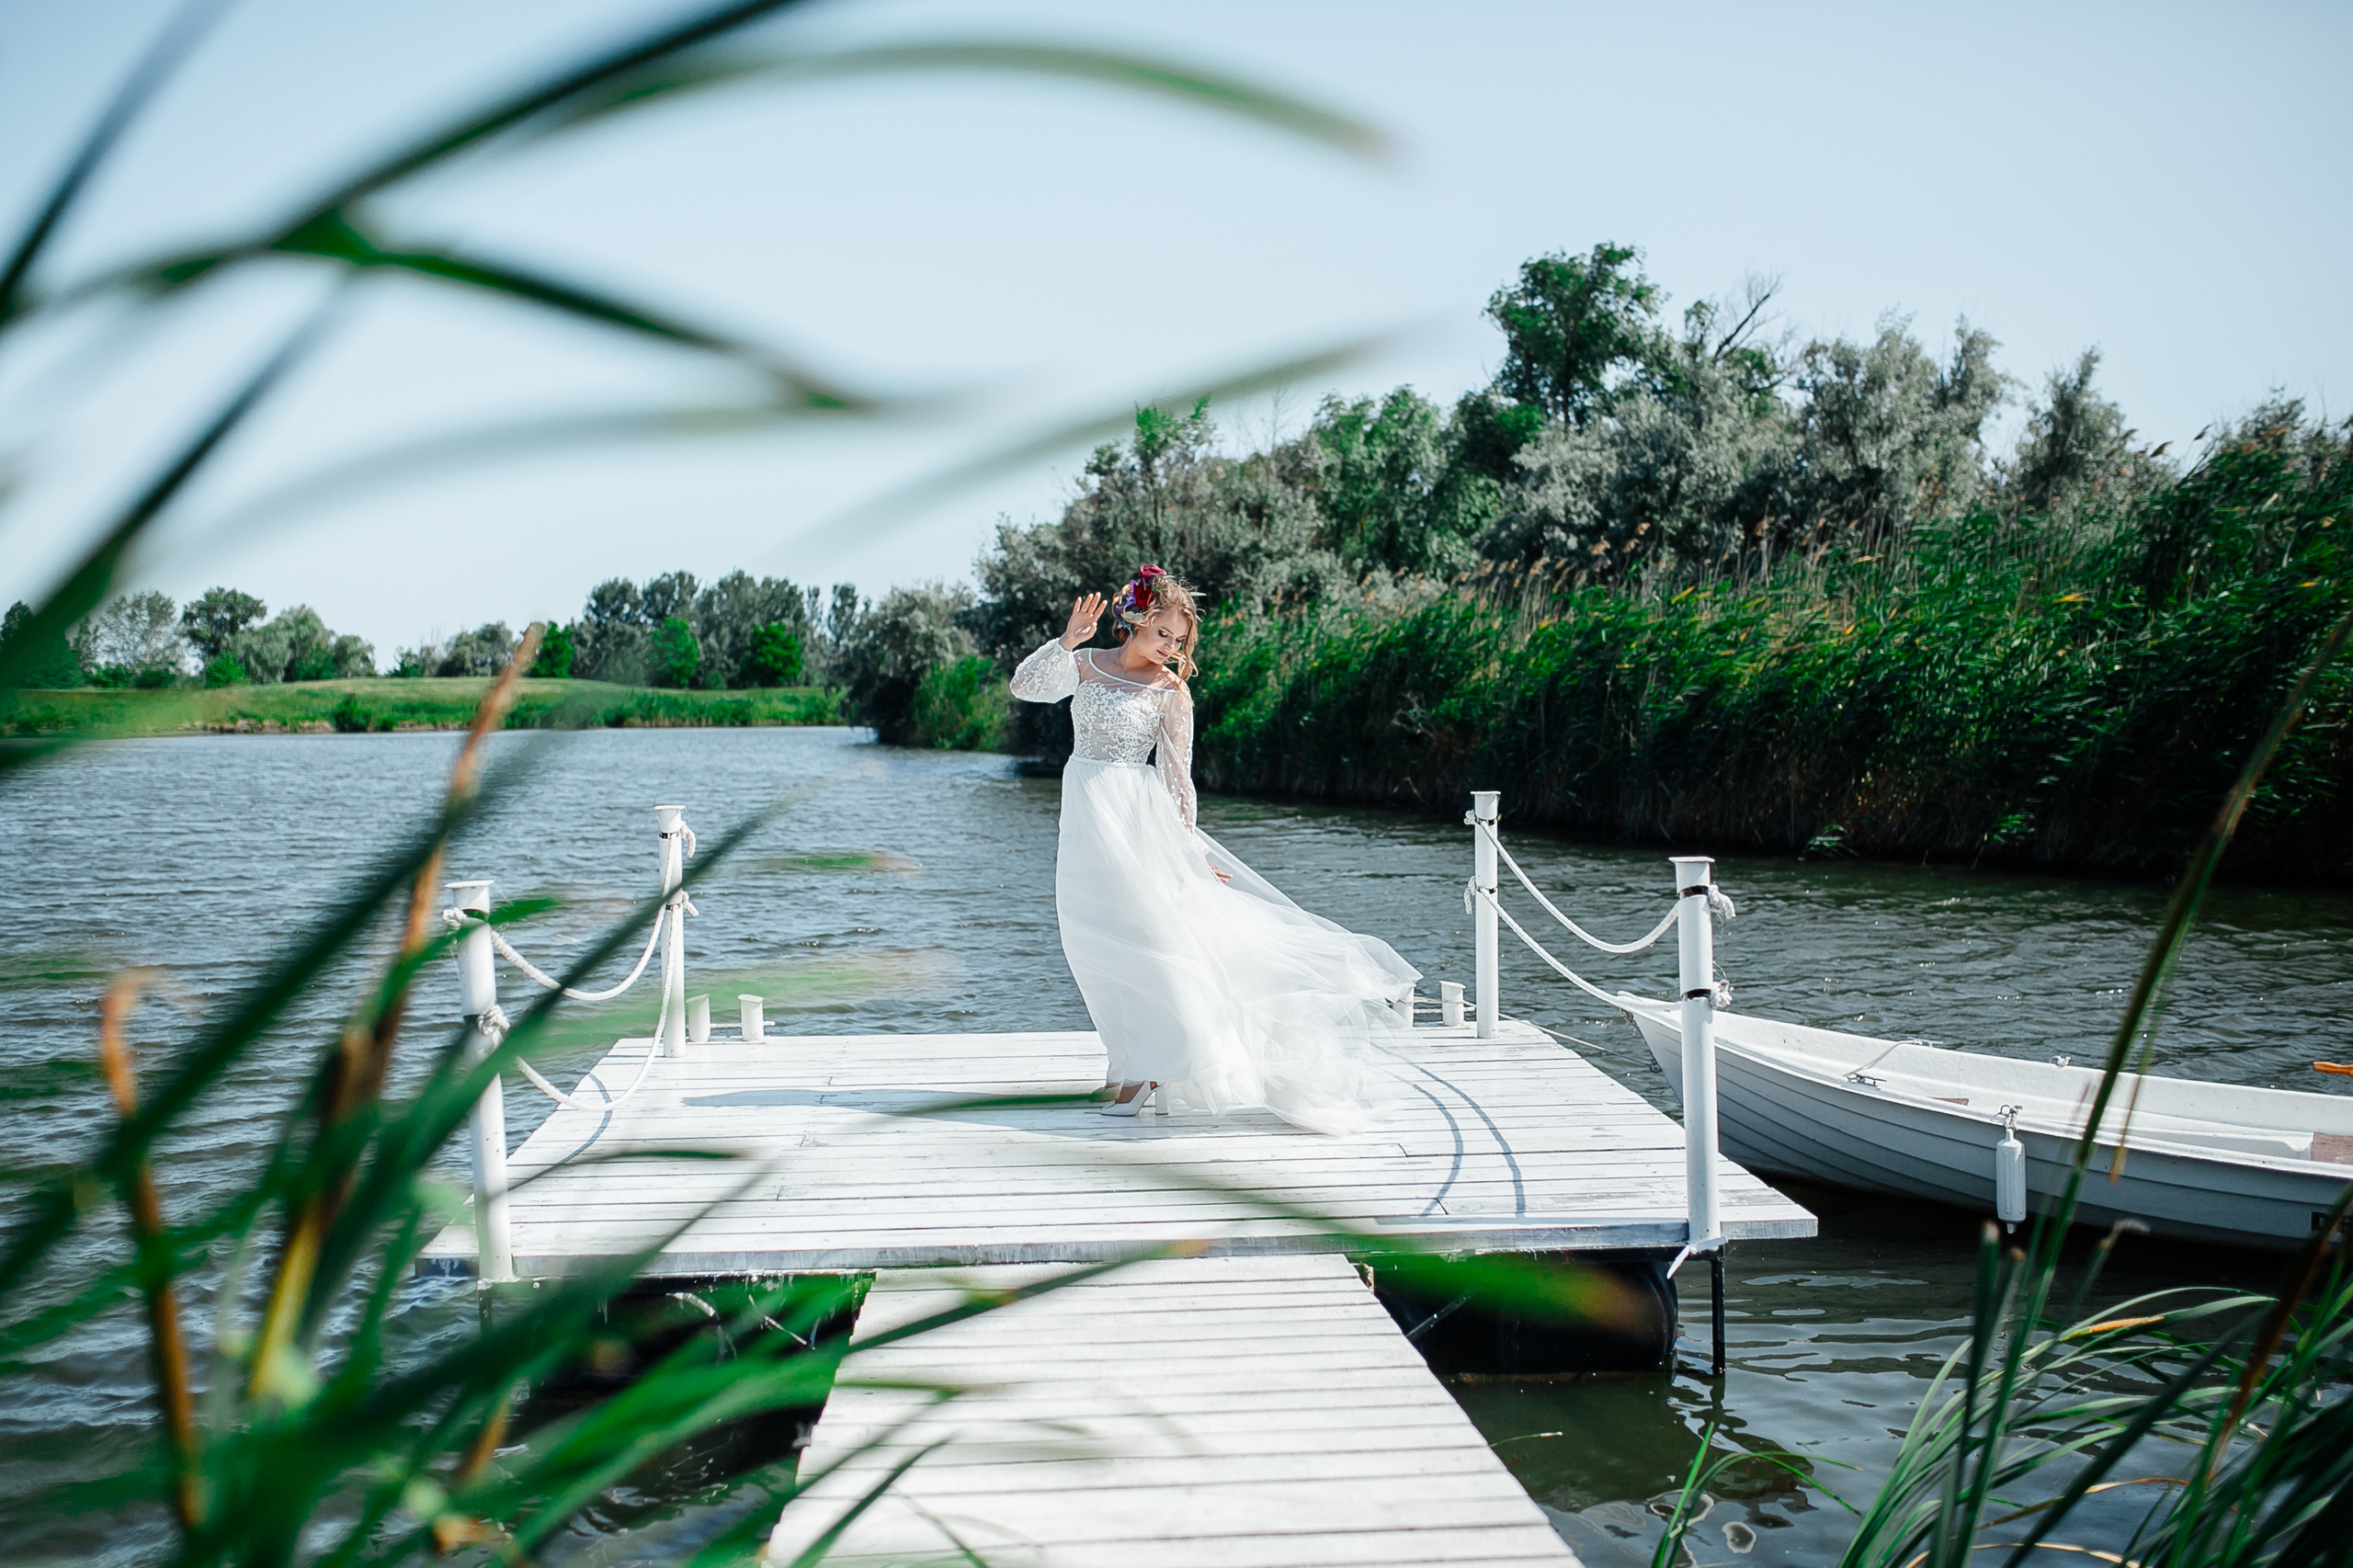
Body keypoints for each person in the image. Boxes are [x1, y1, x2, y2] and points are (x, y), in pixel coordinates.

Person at [1009, 565, 1419, 1133]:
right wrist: (1066, 640)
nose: (1169, 648)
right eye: (1162, 635)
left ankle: (1148, 1070)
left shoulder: (1173, 693)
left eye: (1178, 641)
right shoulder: (1084, 666)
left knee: (1145, 939)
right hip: (1083, 817)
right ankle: (1124, 1058)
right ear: (1133, 621)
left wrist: (1188, 854)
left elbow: (1179, 779)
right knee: (1088, 941)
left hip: (1135, 820)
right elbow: (1024, 687)